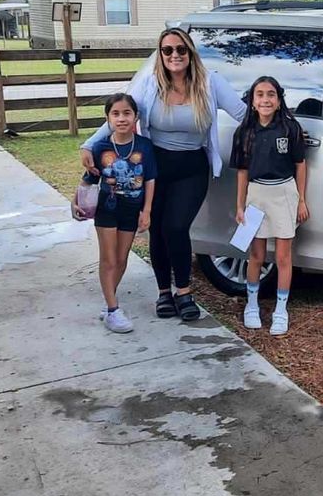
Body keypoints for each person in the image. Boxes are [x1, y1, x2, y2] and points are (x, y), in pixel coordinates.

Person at [81, 27, 246, 321]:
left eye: (180, 49)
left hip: (192, 167)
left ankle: (183, 291)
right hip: (155, 167)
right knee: (157, 229)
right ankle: (163, 293)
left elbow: (243, 114)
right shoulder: (149, 84)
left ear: (190, 52)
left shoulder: (211, 83)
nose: (174, 55)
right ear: (160, 54)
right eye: (167, 50)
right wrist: (90, 144)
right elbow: (120, 113)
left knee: (175, 227)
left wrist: (282, 123)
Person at [231, 75, 308, 336]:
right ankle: (251, 304)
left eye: (271, 94)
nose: (266, 99)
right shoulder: (245, 132)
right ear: (252, 101)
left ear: (279, 99)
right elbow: (242, 172)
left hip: (284, 193)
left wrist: (301, 200)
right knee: (257, 255)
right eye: (260, 94)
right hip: (256, 195)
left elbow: (300, 164)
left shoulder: (290, 129)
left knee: (284, 256)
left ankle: (280, 309)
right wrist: (240, 205)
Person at [75, 93, 157, 333]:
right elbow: (89, 179)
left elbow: (150, 179)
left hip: (132, 210)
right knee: (108, 259)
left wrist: (147, 210)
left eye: (127, 113)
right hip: (107, 209)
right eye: (116, 114)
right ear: (108, 118)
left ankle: (109, 299)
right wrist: (76, 202)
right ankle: (113, 309)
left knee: (121, 259)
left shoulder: (144, 146)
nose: (121, 118)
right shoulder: (100, 147)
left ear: (135, 117)